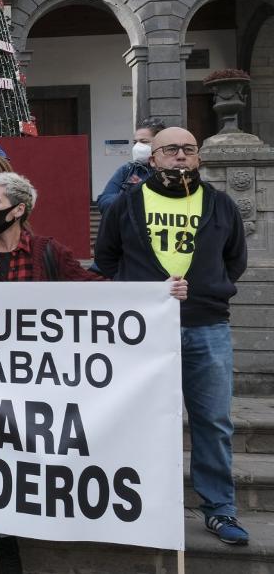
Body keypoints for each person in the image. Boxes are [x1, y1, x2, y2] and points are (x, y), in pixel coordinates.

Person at [0, 171, 187, 573]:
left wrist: (157, 293)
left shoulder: (48, 252)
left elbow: (94, 289)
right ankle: (7, 543)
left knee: (28, 455)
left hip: (37, 377)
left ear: (19, 210)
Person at [95, 126, 249, 546]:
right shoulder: (126, 204)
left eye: (188, 149)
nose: (180, 156)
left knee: (213, 421)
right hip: (142, 333)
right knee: (136, 421)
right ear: (153, 157)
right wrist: (149, 293)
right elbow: (107, 260)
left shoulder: (220, 204)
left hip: (207, 326)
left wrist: (198, 290)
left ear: (197, 157)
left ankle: (219, 508)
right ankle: (137, 504)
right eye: (170, 150)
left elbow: (233, 261)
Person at [96, 116, 166, 217]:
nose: (137, 147)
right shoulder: (127, 170)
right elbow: (104, 201)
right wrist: (132, 197)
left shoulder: (171, 171)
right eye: (135, 142)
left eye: (144, 142)